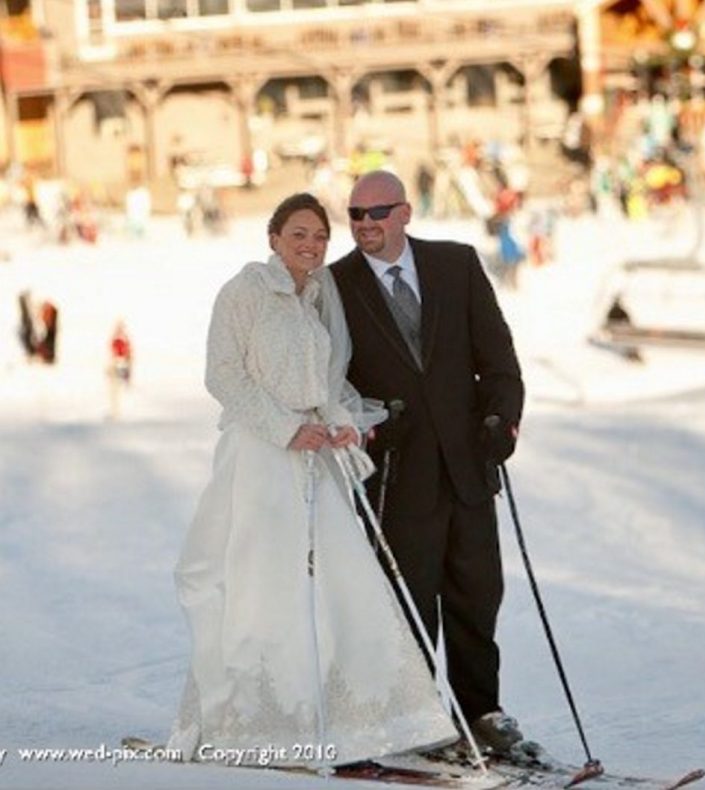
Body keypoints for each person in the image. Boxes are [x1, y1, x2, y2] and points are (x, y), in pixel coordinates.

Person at [166, 193, 457, 771]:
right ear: (273, 238)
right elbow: (222, 375)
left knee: (342, 584)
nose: (310, 245)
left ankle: (367, 717)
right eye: (298, 234)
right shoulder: (245, 292)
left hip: (313, 458)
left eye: (320, 237)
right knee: (265, 586)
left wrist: (340, 423)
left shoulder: (320, 297)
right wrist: (284, 429)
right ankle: (262, 720)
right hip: (259, 457)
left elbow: (328, 382)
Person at [331, 171, 526, 759]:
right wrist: (364, 420)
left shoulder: (456, 265)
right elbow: (330, 375)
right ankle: (419, 721)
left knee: (476, 594)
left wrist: (502, 424)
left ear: (405, 213)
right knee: (410, 602)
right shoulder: (335, 285)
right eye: (355, 214)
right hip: (396, 472)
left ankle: (481, 713)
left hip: (468, 466)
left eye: (377, 212)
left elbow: (499, 362)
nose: (365, 224)